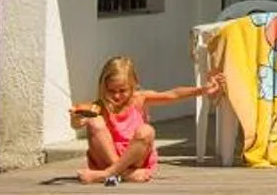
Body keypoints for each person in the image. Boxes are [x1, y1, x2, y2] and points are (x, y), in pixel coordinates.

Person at [69, 55, 218, 186]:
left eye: (122, 91)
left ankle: (108, 174)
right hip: (107, 158)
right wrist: (76, 119)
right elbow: (78, 124)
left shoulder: (139, 99)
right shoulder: (99, 106)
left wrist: (202, 90)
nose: (116, 96)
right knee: (95, 122)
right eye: (111, 91)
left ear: (133, 86)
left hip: (134, 156)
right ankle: (123, 173)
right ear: (103, 87)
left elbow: (172, 95)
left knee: (147, 131)